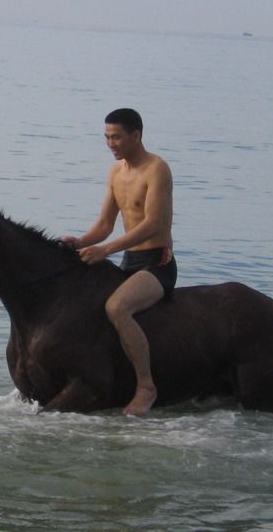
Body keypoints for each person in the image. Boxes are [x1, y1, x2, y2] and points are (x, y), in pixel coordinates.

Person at [62, 108, 177, 414]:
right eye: (106, 137)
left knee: (117, 307)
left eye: (116, 137)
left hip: (157, 264)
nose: (110, 144)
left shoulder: (157, 169)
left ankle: (146, 387)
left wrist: (106, 251)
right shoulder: (115, 173)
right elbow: (104, 225)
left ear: (136, 136)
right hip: (129, 261)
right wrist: (81, 242)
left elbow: (153, 224)